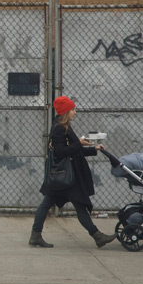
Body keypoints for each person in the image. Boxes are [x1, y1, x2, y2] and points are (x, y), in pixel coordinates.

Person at [29, 96, 117, 249]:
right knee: (77, 205)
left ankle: (36, 236)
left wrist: (93, 149)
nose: (75, 112)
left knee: (51, 204)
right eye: (73, 109)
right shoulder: (59, 128)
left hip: (63, 176)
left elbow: (75, 150)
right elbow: (60, 152)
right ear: (65, 112)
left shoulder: (64, 126)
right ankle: (97, 236)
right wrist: (79, 143)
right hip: (65, 176)